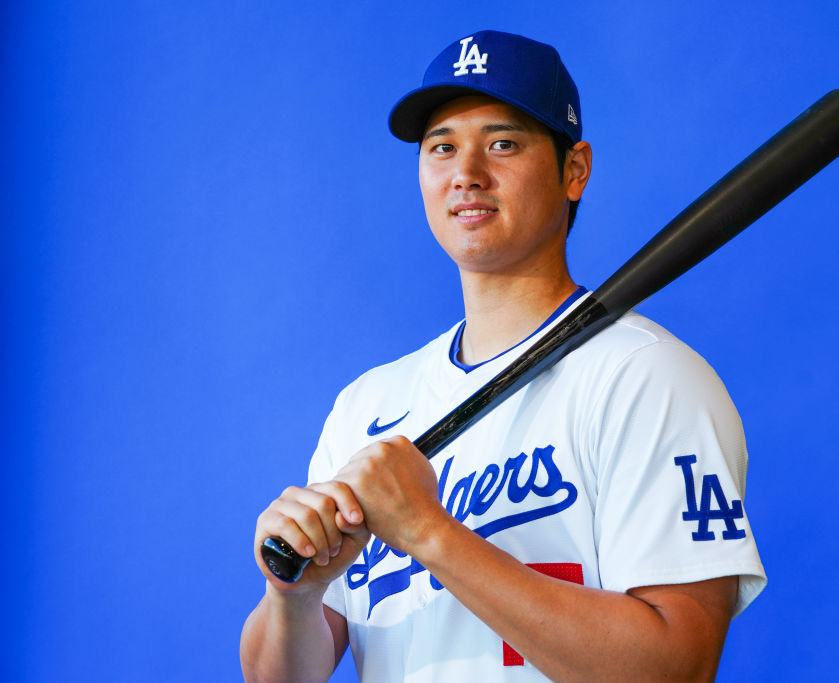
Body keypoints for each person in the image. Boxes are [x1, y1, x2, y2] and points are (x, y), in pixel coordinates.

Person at [240, 30, 766, 682]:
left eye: (503, 143)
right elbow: (278, 676)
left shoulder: (646, 376)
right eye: (442, 147)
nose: (466, 173)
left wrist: (429, 532)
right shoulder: (367, 405)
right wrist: (294, 596)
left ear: (573, 170)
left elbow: (674, 668)